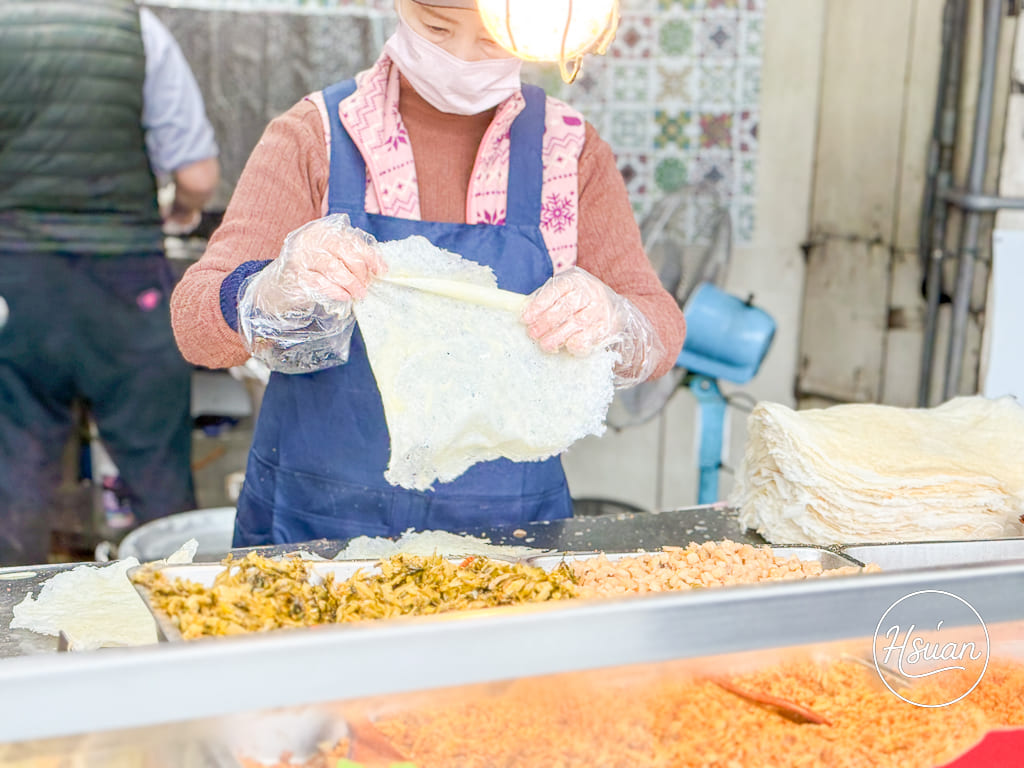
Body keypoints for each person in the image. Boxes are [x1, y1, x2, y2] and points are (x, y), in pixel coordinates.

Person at [171, 0, 686, 547]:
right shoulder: (314, 136)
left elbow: (660, 331)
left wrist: (611, 318)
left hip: (508, 543)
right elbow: (193, 326)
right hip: (315, 535)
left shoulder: (569, 152)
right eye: (437, 27)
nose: (460, 57)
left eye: (490, 40)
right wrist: (269, 293)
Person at [0, 0, 220, 565]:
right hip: (126, 287)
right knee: (159, 482)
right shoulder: (137, 30)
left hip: (15, 288)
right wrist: (180, 213)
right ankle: (176, 618)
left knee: (13, 481)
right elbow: (197, 175)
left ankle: (12, 636)